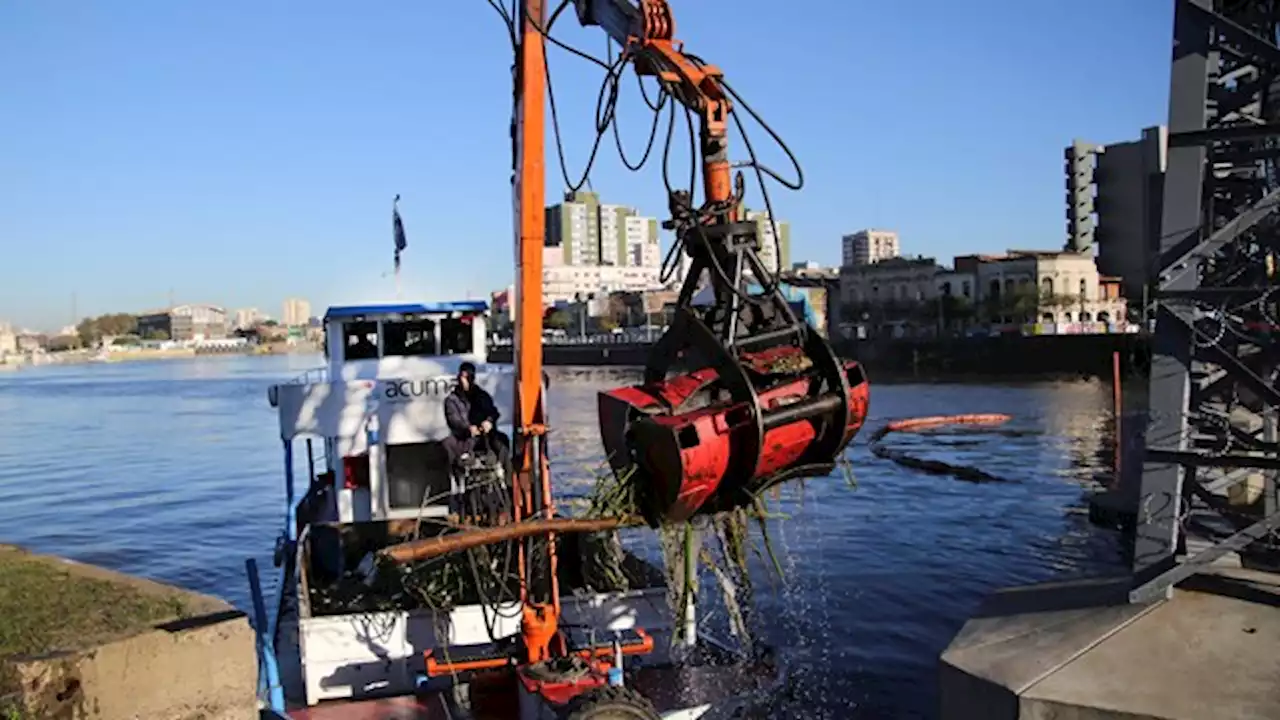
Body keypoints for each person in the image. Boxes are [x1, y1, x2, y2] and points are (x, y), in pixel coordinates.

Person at [442, 362, 511, 474]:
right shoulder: (451, 400)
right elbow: (453, 420)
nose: (463, 380)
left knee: (502, 442)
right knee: (447, 444)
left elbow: (493, 412)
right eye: (461, 377)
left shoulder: (482, 396)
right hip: (464, 438)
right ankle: (459, 481)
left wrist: (489, 422)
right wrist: (468, 428)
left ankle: (509, 483)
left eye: (467, 377)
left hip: (485, 437)